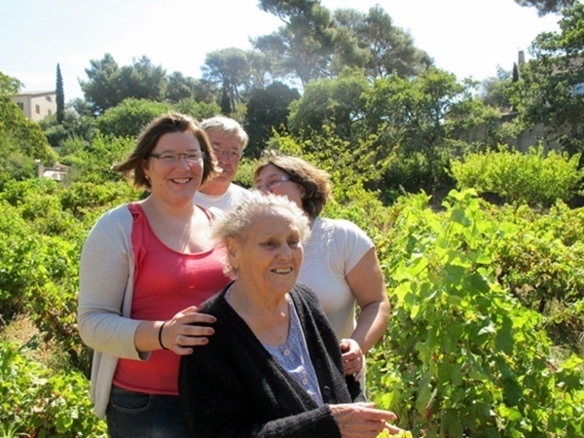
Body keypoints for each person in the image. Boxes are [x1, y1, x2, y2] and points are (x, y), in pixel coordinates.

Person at [179, 192, 401, 437]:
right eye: (270, 244)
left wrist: (365, 420)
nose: (286, 254)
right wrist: (328, 425)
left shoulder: (305, 300)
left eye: (293, 241)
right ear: (233, 250)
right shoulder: (210, 335)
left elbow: (341, 384)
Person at [77, 112, 232, 437]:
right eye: (169, 157)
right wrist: (163, 335)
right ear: (146, 166)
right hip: (148, 404)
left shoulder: (221, 223)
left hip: (221, 396)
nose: (184, 166)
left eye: (192, 155)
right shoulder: (118, 227)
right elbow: (92, 323)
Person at [253, 153, 390, 379]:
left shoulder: (343, 237)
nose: (264, 190)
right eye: (258, 186)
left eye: (274, 181)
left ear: (303, 188)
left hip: (337, 376)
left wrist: (356, 347)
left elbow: (376, 302)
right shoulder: (251, 245)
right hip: (272, 380)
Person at [193, 115, 251, 214]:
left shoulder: (249, 204)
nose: (224, 160)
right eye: (216, 149)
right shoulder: (174, 197)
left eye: (233, 153)